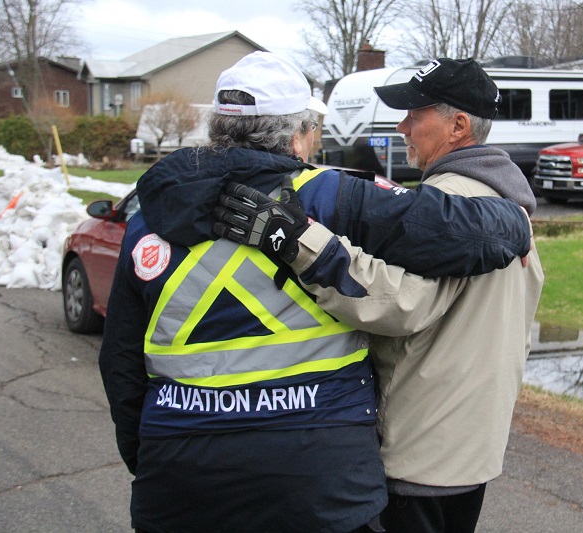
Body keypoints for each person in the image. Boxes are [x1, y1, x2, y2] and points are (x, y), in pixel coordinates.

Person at [98, 51, 532, 533]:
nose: (402, 126)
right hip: (320, 479)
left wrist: (153, 455)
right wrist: (513, 218)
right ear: (296, 134)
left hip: (179, 474)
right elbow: (458, 234)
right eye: (313, 130)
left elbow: (120, 362)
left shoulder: (148, 218)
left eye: (413, 114)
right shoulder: (330, 196)